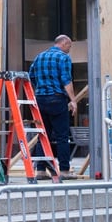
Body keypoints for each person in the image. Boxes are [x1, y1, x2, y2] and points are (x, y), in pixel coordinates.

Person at [27, 34, 78, 180]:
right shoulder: (64, 57)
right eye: (69, 46)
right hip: (57, 99)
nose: (69, 49)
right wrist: (73, 100)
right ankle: (64, 171)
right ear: (63, 43)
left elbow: (31, 76)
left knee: (43, 135)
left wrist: (41, 88)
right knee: (62, 136)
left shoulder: (39, 57)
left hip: (40, 100)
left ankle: (41, 170)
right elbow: (66, 80)